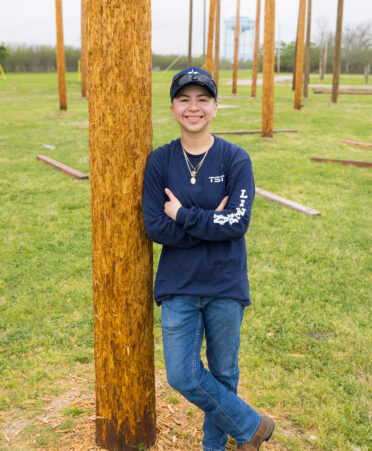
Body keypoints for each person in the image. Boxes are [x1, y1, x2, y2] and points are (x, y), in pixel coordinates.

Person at [142, 67, 274, 451]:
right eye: (184, 99)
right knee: (182, 376)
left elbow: (236, 222)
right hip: (178, 285)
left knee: (223, 372)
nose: (193, 107)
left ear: (215, 107)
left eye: (202, 99)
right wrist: (210, 222)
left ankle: (214, 447)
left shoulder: (235, 159)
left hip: (224, 283)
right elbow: (155, 227)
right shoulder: (160, 161)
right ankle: (252, 425)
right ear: (172, 108)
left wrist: (183, 215)